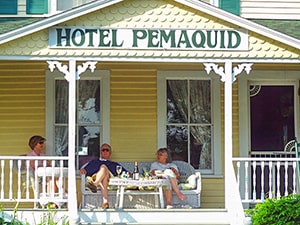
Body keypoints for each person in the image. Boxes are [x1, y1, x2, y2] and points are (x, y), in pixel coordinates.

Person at [79, 143, 128, 209]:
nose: (105, 152)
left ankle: (94, 185)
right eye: (103, 150)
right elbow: (85, 171)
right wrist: (82, 170)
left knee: (103, 167)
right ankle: (105, 202)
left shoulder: (114, 164)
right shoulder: (94, 162)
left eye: (107, 150)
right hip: (97, 177)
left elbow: (126, 173)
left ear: (110, 152)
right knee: (103, 177)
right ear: (100, 152)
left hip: (109, 179)